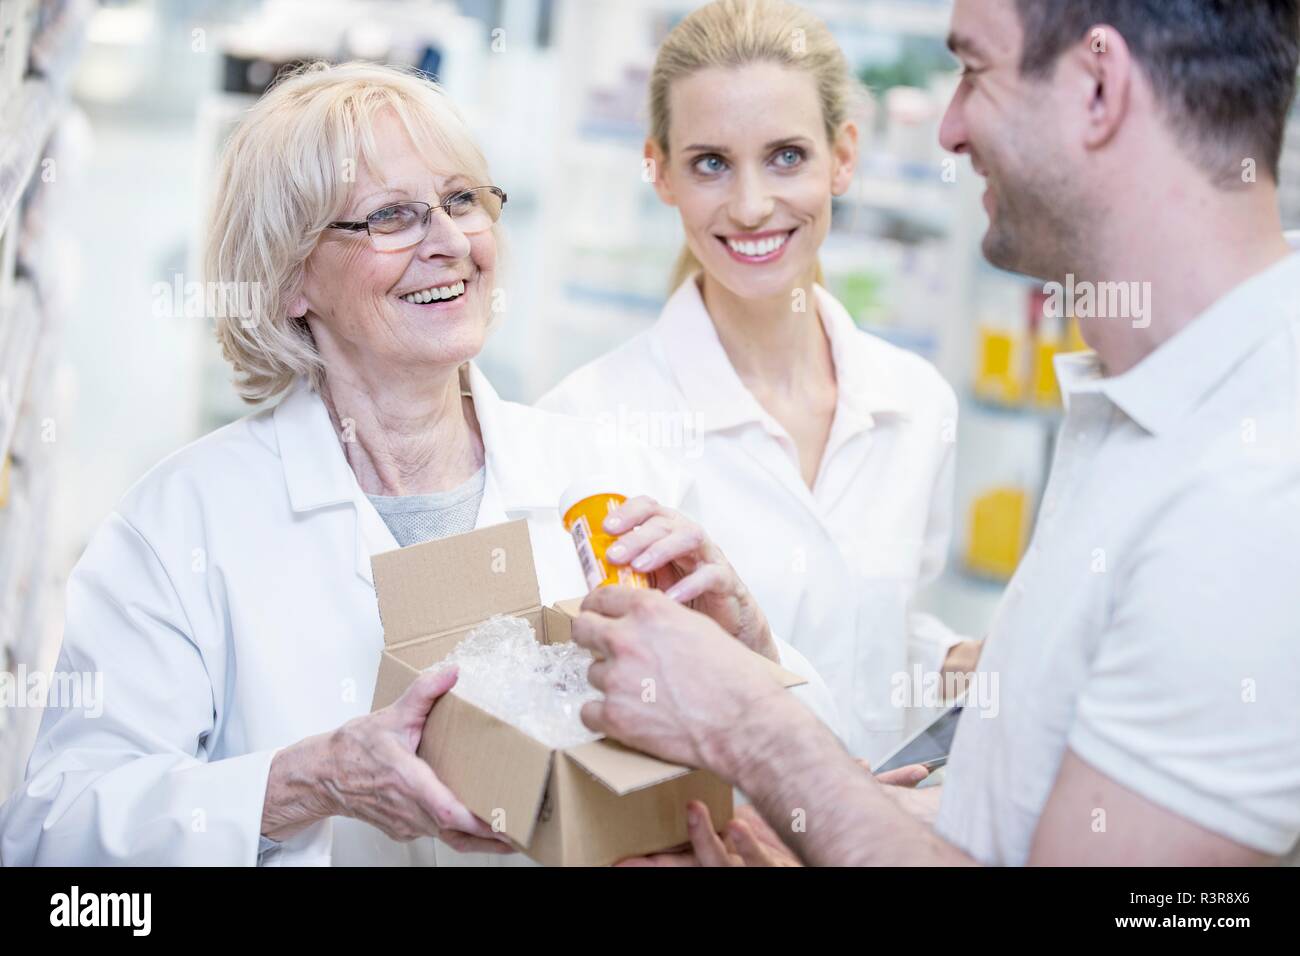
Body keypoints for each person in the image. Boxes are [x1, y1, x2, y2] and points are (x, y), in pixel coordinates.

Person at [0, 61, 836, 867]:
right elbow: (53, 832)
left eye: (462, 200)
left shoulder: (605, 476)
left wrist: (750, 651)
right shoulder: (181, 525)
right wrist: (310, 780)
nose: (449, 242)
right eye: (391, 216)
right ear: (290, 278)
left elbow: (815, 792)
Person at [572, 0, 1300, 866]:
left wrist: (754, 727)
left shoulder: (1252, 484)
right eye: (710, 164)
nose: (948, 130)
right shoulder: (1138, 409)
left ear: (1099, 88)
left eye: (974, 69)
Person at [538, 0, 980, 764]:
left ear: (843, 156)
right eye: (711, 163)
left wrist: (948, 665)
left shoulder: (916, 402)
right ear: (660, 171)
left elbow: (885, 625)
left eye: (786, 157)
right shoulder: (583, 423)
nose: (750, 207)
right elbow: (589, 711)